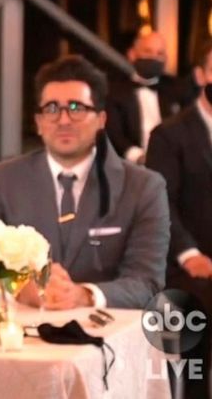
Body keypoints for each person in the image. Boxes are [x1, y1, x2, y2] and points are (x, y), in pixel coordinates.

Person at [0, 55, 169, 309]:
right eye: (52, 109)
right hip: (22, 335)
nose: (63, 120)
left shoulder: (144, 187)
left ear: (101, 120)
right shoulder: (0, 180)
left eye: (76, 107)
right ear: (39, 122)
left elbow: (146, 283)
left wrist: (83, 295)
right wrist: (21, 288)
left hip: (106, 336)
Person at [146, 40, 212, 399]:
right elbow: (162, 204)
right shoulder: (169, 135)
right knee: (193, 319)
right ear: (201, 76)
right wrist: (190, 255)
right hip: (187, 264)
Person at [105, 30, 189, 164]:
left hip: (173, 162)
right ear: (132, 54)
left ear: (166, 59)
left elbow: (189, 127)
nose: (154, 58)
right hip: (131, 166)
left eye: (160, 53)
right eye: (148, 51)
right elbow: (114, 132)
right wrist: (139, 157)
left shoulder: (178, 88)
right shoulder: (115, 91)